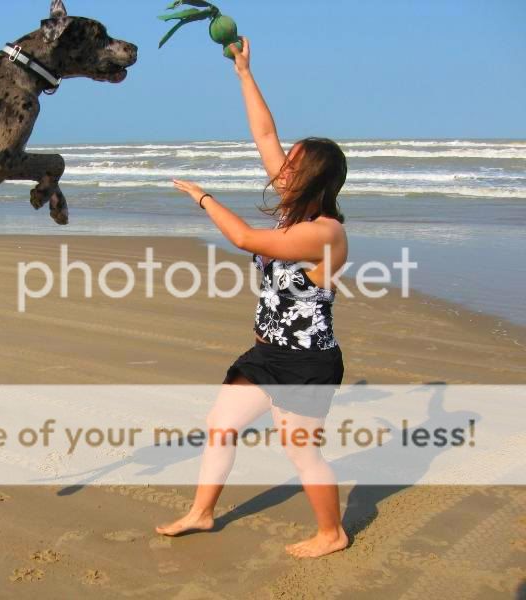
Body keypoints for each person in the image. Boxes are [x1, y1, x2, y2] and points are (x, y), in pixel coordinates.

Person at [155, 38, 350, 558]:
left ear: (311, 175)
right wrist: (243, 72)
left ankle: (332, 534)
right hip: (266, 353)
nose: (282, 164)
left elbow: (244, 238)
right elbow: (265, 133)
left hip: (305, 361)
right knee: (220, 427)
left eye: (293, 161)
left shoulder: (323, 232)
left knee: (302, 453)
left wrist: (203, 197)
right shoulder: (293, 210)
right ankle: (202, 513)